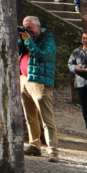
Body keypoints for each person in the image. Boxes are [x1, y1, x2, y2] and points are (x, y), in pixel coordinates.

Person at [18, 16, 59, 162]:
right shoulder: (27, 40)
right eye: (25, 27)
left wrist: (28, 40)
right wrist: (21, 39)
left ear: (37, 26)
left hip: (40, 82)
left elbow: (42, 56)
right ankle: (35, 145)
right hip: (24, 79)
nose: (27, 30)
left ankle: (52, 149)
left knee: (46, 118)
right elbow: (17, 51)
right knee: (30, 117)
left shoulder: (48, 40)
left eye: (29, 27)